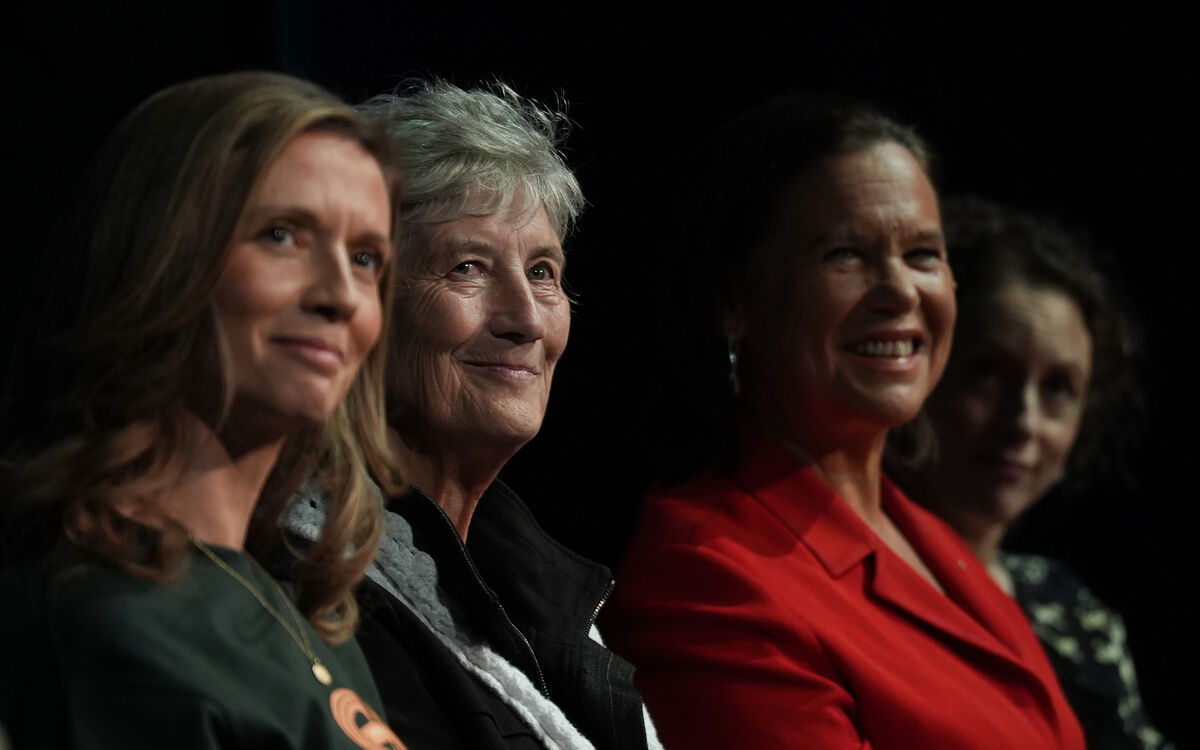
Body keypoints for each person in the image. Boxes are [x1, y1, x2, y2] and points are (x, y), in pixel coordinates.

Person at [601, 94, 1087, 749]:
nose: (900, 291)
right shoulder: (706, 579)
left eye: (922, 254)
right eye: (846, 255)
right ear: (735, 302)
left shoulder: (927, 532)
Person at [0, 71, 405, 749]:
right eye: (282, 235)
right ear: (159, 258)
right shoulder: (112, 626)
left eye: (366, 258)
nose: (342, 295)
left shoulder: (303, 611)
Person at [285, 81, 659, 750]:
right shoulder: (313, 585)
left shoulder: (536, 584)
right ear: (356, 305)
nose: (525, 319)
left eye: (543, 271)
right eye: (467, 267)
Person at [894, 198, 1170, 750]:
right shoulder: (855, 578)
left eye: (1059, 389)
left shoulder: (1074, 611)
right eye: (988, 374)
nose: (1023, 422)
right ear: (919, 369)